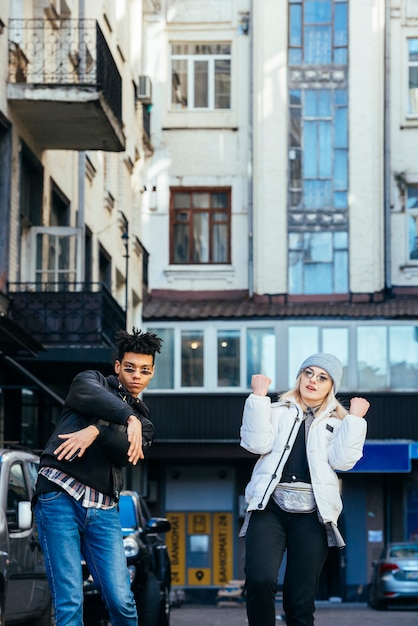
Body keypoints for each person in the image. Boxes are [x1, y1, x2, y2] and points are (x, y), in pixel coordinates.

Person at [33, 327, 163, 626]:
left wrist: (97, 431)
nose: (136, 376)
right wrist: (127, 418)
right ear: (118, 366)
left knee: (122, 601)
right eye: (129, 368)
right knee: (70, 601)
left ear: (152, 373)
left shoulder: (145, 424)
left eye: (144, 370)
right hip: (58, 495)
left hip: (103, 508)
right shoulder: (90, 381)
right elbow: (86, 395)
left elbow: (125, 454)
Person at [240, 353, 369, 626]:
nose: (312, 380)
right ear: (299, 376)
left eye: (322, 377)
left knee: (300, 599)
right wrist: (258, 398)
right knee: (260, 580)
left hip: (313, 513)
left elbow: (343, 462)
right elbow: (256, 444)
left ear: (331, 386)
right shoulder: (274, 410)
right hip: (270, 506)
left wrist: (356, 419)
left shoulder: (338, 422)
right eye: (308, 373)